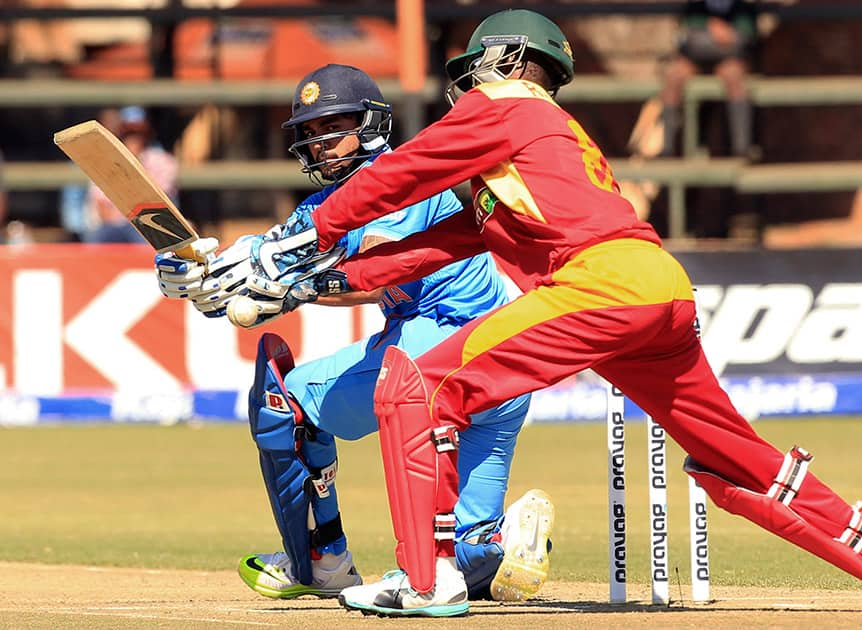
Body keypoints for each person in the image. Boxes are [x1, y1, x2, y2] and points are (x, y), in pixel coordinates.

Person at [235, 10, 862, 618]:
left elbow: (394, 175)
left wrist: (286, 242)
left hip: (597, 286)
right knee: (733, 452)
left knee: (417, 389)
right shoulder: (529, 146)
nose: (467, 82)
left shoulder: (504, 105)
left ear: (505, 58)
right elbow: (426, 251)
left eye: (474, 67)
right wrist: (305, 284)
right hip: (658, 290)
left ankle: (430, 578)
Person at [153, 64, 553, 604]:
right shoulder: (320, 208)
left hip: (436, 349)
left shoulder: (406, 178)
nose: (320, 144)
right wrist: (202, 278)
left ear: (370, 123)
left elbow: (379, 266)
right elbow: (267, 263)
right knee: (465, 564)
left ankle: (322, 559)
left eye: (332, 127)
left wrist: (291, 284)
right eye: (310, 134)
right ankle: (504, 541)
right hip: (502, 370)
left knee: (284, 403)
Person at [630, 0, 758, 160]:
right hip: (695, 58)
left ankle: (741, 149)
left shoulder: (742, 7)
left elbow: (749, 34)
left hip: (728, 58)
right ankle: (667, 148)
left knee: (734, 78)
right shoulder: (696, 5)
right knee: (673, 76)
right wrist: (710, 27)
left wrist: (728, 34)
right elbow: (687, 28)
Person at [87, 106, 178, 242]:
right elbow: (101, 205)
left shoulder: (162, 160)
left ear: (147, 134)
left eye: (138, 133)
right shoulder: (106, 161)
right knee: (100, 238)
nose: (133, 139)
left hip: (151, 224)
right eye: (128, 133)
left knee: (148, 235)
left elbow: (159, 201)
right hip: (114, 224)